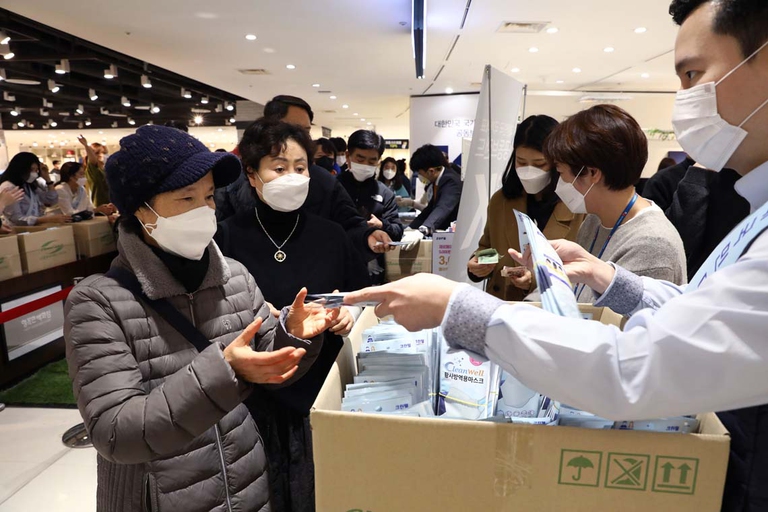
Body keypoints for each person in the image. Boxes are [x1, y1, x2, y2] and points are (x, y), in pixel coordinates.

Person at [346, 1, 768, 509]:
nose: (686, 99)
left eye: (694, 74)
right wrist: (607, 277)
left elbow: (634, 367)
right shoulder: (752, 210)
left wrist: (457, 308)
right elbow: (701, 309)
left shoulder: (662, 230)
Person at [65, 124, 340, 512]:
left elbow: (268, 363)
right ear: (141, 210)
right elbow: (115, 433)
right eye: (186, 198)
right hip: (159, 497)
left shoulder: (235, 277)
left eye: (209, 196)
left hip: (246, 485)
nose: (205, 210)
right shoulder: (97, 302)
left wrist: (293, 337)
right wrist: (224, 369)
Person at [216, 119, 370, 512]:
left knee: (323, 492)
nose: (292, 177)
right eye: (278, 167)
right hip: (253, 395)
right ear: (252, 175)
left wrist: (346, 312)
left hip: (321, 387)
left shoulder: (331, 234)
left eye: (300, 168)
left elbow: (356, 296)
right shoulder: (227, 237)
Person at [215, 94, 393, 259]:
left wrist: (367, 236)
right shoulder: (232, 182)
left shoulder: (323, 181)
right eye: (279, 168)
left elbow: (349, 223)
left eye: (306, 131)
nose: (299, 137)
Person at [544, 104, 687, 303]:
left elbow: (623, 327)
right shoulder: (595, 220)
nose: (560, 183)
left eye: (561, 173)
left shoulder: (652, 246)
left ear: (592, 173)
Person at [467, 115, 584, 301]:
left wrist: (535, 281)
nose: (529, 170)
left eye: (540, 164)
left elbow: (583, 268)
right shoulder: (502, 200)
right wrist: (479, 263)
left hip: (554, 311)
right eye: (521, 162)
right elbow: (490, 247)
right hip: (503, 306)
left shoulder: (578, 206)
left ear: (557, 162)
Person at [644, 158, 750, 279]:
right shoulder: (664, 180)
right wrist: (696, 177)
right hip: (699, 283)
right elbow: (675, 243)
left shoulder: (749, 178)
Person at [338, 130, 404, 283]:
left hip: (373, 269)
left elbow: (397, 231)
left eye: (371, 161)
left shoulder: (384, 192)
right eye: (360, 159)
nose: (365, 165)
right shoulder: (334, 187)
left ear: (378, 161)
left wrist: (382, 225)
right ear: (348, 156)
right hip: (337, 263)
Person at [401, 144, 463, 249]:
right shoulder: (437, 181)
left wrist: (423, 229)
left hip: (454, 241)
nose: (419, 177)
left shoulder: (451, 180)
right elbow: (430, 210)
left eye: (420, 173)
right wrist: (410, 228)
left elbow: (443, 207)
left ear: (431, 171)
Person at [0, 152, 70, 226]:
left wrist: (48, 179)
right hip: (19, 230)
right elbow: (16, 218)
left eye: (36, 170)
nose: (34, 173)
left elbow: (51, 200)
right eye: (32, 169)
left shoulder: (30, 185)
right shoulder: (9, 187)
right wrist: (46, 219)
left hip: (34, 229)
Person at [79, 136, 111, 208]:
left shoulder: (103, 168)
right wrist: (86, 145)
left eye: (102, 152)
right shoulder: (92, 168)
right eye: (97, 153)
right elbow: (92, 160)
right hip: (99, 204)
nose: (101, 154)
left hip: (109, 203)